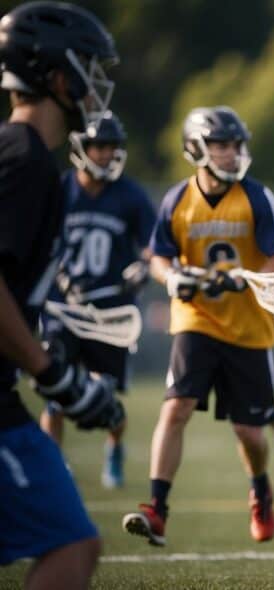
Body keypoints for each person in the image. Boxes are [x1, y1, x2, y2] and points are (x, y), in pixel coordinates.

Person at [122, 106, 274, 546]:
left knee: (249, 434)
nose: (231, 153)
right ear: (197, 148)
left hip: (248, 328)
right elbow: (159, 256)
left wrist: (248, 278)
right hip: (196, 320)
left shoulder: (257, 196)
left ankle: (260, 489)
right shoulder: (178, 198)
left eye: (236, 144)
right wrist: (172, 276)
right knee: (176, 407)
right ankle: (157, 508)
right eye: (222, 144)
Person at [0, 3, 122, 589]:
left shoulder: (23, 157)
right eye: (88, 69)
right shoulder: (26, 162)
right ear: (56, 75)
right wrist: (54, 375)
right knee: (71, 544)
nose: (96, 84)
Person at [38, 110, 154, 490]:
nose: (105, 154)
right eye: (98, 146)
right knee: (55, 392)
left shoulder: (130, 196)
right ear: (82, 148)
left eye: (111, 147)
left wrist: (143, 267)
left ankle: (114, 448)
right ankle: (52, 468)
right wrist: (57, 274)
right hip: (64, 311)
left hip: (110, 313)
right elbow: (38, 242)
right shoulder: (60, 191)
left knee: (106, 398)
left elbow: (155, 247)